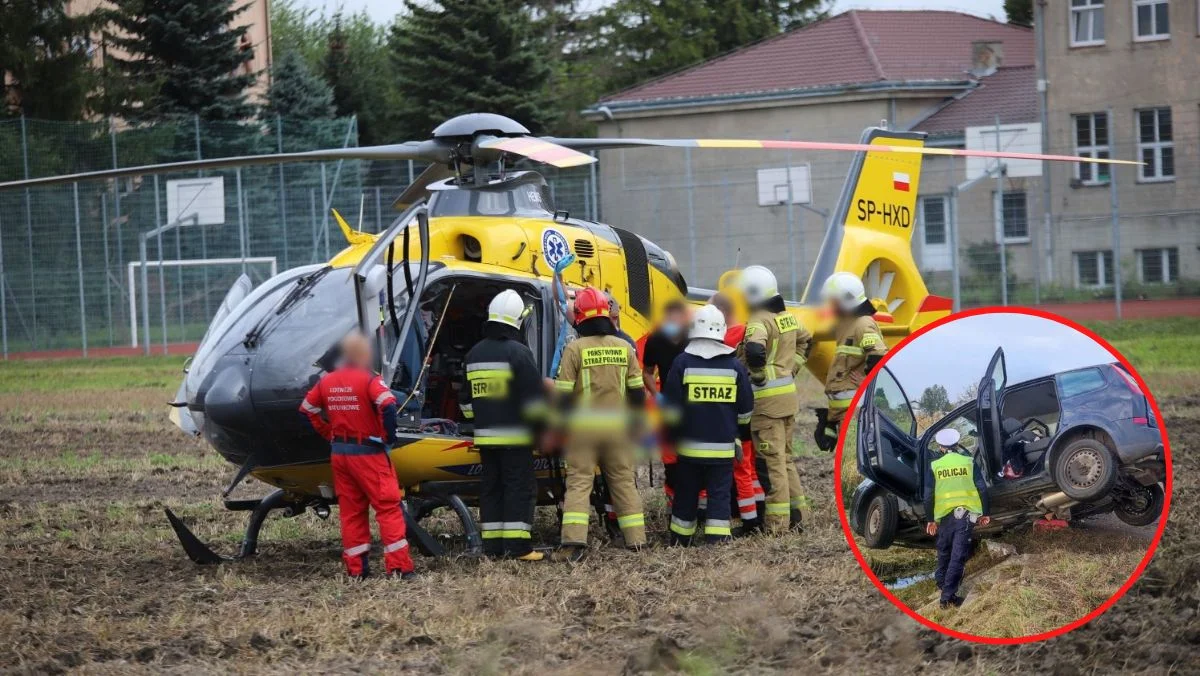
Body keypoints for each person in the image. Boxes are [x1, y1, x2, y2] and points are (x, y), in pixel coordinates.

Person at [300, 332, 415, 579]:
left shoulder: (327, 381)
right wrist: (388, 437)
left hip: (340, 454)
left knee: (351, 512)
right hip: (369, 454)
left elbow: (307, 408)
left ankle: (357, 571)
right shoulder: (370, 380)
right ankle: (399, 568)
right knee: (387, 508)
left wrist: (328, 432)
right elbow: (388, 404)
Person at [552, 287, 647, 561]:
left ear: (580, 317)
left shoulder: (574, 349)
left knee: (580, 483)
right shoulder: (624, 348)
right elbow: (637, 393)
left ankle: (573, 544)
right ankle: (636, 540)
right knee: (623, 482)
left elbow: (562, 396)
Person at [459, 289, 547, 561]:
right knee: (519, 488)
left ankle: (493, 547)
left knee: (492, 489)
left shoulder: (473, 353)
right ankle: (518, 547)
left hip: (485, 439)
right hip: (515, 438)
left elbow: (465, 402)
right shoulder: (519, 353)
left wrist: (481, 420)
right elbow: (534, 400)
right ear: (517, 319)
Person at [660, 305, 754, 545]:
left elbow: (670, 408)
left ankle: (681, 539)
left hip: (689, 447)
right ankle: (717, 538)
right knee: (719, 493)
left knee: (686, 492)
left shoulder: (682, 362)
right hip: (723, 447)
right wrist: (739, 432)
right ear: (721, 330)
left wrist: (671, 435)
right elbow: (745, 409)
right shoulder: (735, 367)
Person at [736, 265, 812, 534]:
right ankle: (799, 516)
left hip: (766, 404)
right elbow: (807, 341)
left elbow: (755, 349)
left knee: (772, 462)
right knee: (786, 459)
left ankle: (777, 524)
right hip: (788, 400)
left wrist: (756, 375)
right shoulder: (788, 318)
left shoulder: (759, 319)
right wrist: (792, 368)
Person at [711, 291, 764, 532]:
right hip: (751, 407)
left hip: (732, 410)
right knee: (750, 466)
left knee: (741, 466)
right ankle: (759, 511)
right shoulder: (746, 330)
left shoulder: (727, 338)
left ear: (721, 312)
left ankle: (749, 519)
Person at [816, 271, 887, 452]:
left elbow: (879, 356)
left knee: (856, 457)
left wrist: (868, 385)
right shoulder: (845, 324)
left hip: (856, 411)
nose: (830, 306)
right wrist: (830, 420)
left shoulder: (863, 324)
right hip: (842, 412)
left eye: (834, 301)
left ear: (847, 300)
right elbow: (843, 368)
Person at [924, 428, 991, 609]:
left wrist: (930, 519)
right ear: (956, 444)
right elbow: (982, 488)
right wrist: (985, 513)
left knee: (944, 550)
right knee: (958, 556)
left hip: (943, 517)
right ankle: (947, 598)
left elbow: (928, 495)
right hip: (965, 516)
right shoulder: (968, 461)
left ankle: (941, 582)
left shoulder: (935, 465)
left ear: (940, 447)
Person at [641, 299, 690, 502]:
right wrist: (656, 395)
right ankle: (673, 499)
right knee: (670, 457)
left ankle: (696, 502)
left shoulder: (694, 337)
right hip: (668, 403)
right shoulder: (655, 340)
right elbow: (647, 372)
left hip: (693, 402)